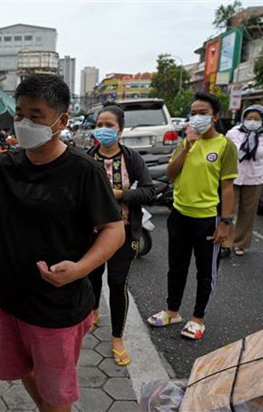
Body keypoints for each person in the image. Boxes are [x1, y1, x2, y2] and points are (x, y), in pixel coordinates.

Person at [0, 74, 124, 412]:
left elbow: (114, 230)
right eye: (19, 114)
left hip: (58, 305)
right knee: (24, 371)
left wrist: (79, 270)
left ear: (62, 120)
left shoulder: (84, 170)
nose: (24, 123)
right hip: (12, 298)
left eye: (36, 115)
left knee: (57, 395)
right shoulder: (4, 164)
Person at [147, 92, 238, 341]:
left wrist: (226, 223)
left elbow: (228, 187)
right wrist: (187, 148)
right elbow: (171, 173)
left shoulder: (225, 146)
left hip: (208, 218)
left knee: (205, 272)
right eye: (194, 113)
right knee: (176, 268)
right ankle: (172, 311)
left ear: (215, 117)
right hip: (179, 214)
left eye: (203, 113)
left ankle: (198, 319)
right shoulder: (186, 141)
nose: (196, 117)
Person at [86, 105, 156, 366]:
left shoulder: (132, 159)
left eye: (109, 125)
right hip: (92, 232)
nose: (103, 130)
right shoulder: (87, 157)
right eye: (100, 124)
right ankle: (93, 313)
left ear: (120, 130)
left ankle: (117, 338)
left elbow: (149, 191)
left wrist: (119, 195)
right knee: (92, 276)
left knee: (117, 283)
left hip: (124, 232)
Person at [222, 105, 263, 256]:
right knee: (228, 209)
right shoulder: (234, 133)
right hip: (233, 176)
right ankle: (226, 241)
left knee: (248, 212)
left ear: (262, 120)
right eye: (249, 118)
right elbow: (225, 153)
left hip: (255, 178)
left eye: (256, 119)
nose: (252, 122)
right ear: (243, 118)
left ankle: (241, 243)